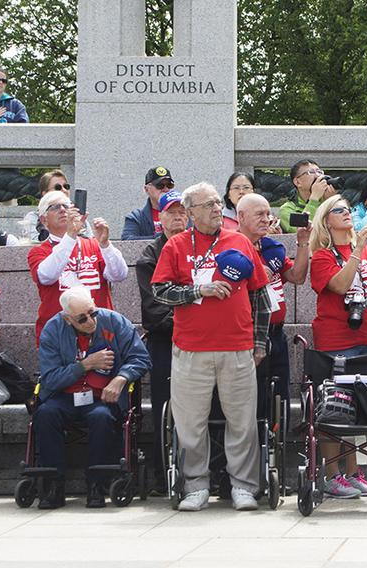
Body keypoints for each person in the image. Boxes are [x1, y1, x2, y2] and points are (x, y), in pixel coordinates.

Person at [151, 182, 271, 512]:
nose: (218, 208)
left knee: (242, 421)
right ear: (190, 213)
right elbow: (160, 292)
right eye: (209, 205)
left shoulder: (240, 242)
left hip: (237, 346)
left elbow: (261, 297)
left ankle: (244, 487)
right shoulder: (175, 245)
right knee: (190, 422)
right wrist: (196, 292)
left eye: (219, 203)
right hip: (190, 348)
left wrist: (259, 342)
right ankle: (195, 486)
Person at [32, 287, 151, 509]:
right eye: (82, 318)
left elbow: (141, 358)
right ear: (68, 319)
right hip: (65, 396)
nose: (90, 321)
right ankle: (53, 485)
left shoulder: (115, 322)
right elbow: (50, 379)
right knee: (45, 414)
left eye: (92, 312)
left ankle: (96, 483)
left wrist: (121, 378)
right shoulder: (53, 329)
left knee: (101, 417)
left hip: (102, 397)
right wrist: (85, 365)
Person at [309, 194, 367, 498]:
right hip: (337, 342)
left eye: (347, 210)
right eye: (339, 210)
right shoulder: (321, 255)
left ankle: (354, 472)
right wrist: (358, 250)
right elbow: (340, 285)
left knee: (360, 410)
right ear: (326, 220)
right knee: (335, 409)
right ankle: (332, 475)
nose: (346, 214)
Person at [134, 190, 189, 492]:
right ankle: (162, 474)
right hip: (165, 340)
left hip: (200, 341)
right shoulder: (150, 256)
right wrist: (191, 321)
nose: (178, 217)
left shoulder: (199, 247)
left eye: (183, 212)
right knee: (163, 407)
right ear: (161, 217)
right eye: (172, 212)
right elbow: (154, 308)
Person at [236, 193, 309, 409]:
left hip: (277, 332)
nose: (266, 219)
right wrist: (255, 274)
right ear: (240, 217)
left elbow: (297, 277)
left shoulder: (270, 247)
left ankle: (276, 438)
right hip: (249, 334)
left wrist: (303, 243)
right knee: (253, 398)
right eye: (259, 214)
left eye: (269, 214)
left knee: (280, 395)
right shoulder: (230, 246)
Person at [28, 191, 129, 344]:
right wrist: (70, 236)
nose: (62, 209)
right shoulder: (39, 251)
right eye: (55, 207)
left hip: (99, 330)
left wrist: (105, 245)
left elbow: (119, 275)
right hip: (60, 333)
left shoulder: (93, 244)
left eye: (66, 206)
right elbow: (47, 277)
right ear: (44, 220)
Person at [277, 159, 337, 233]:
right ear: (297, 182)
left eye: (319, 172)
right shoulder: (287, 209)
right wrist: (314, 199)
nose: (318, 175)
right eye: (311, 172)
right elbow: (300, 231)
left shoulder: (328, 198)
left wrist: (331, 202)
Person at [121, 167, 176, 240]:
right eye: (159, 185)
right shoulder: (136, 217)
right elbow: (127, 241)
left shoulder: (183, 213)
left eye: (169, 185)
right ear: (146, 189)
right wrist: (162, 237)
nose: (165, 189)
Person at [22, 170, 71, 242]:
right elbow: (35, 244)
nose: (64, 190)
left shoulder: (78, 216)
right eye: (57, 187)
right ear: (45, 194)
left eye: (66, 186)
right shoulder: (33, 218)